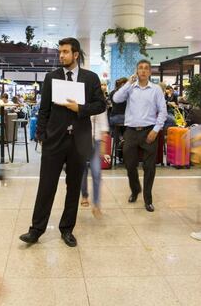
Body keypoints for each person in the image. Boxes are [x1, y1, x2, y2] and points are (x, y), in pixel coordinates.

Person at [19, 37, 106, 247]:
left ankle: (67, 229)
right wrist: (41, 135)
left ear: (75, 54)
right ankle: (36, 230)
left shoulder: (90, 78)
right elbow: (44, 109)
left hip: (79, 140)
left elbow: (101, 105)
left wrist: (80, 109)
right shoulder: (51, 77)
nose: (61, 55)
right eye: (60, 52)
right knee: (46, 185)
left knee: (74, 186)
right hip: (54, 140)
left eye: (65, 52)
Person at [113, 59, 167, 212]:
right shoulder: (130, 88)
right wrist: (128, 83)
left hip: (149, 131)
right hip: (130, 131)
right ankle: (135, 188)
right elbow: (116, 99)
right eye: (140, 68)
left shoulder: (156, 89)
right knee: (130, 165)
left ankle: (148, 199)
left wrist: (156, 130)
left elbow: (163, 111)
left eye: (146, 68)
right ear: (137, 71)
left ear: (150, 72)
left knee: (149, 167)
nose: (143, 71)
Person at [80, 110, 109, 219]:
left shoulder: (99, 102)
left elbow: (104, 125)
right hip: (82, 140)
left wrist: (103, 145)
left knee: (96, 173)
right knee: (82, 170)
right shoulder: (81, 98)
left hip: (95, 141)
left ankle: (96, 204)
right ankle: (84, 195)